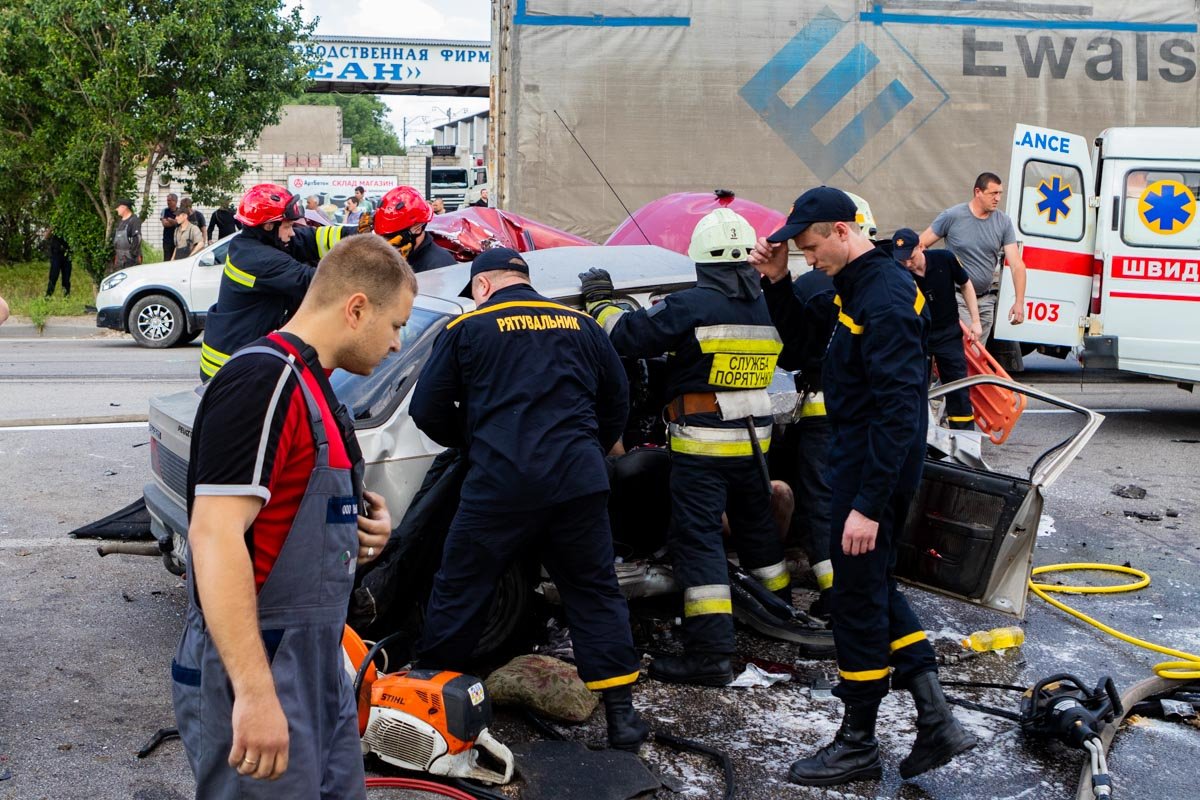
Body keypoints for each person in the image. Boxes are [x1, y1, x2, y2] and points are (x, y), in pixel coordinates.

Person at [172, 234, 415, 798]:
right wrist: (255, 694)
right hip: (261, 663)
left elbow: (291, 518)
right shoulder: (264, 382)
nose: (397, 343)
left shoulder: (314, 387)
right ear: (356, 309)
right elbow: (214, 535)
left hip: (318, 663)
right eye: (396, 325)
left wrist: (361, 532)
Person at [752, 187, 975, 787]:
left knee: (855, 602)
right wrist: (777, 282)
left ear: (843, 231)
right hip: (861, 462)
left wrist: (868, 506)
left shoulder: (884, 295)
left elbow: (900, 412)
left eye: (811, 247)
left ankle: (857, 744)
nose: (808, 258)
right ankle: (936, 719)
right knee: (871, 586)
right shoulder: (856, 287)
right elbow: (804, 350)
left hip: (873, 469)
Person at [410, 247, 649, 753]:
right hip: (578, 484)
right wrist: (588, 447)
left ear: (482, 286)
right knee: (594, 591)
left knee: (461, 587)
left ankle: (430, 702)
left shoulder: (467, 328)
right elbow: (618, 399)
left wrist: (473, 440)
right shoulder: (583, 325)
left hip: (500, 484)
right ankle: (623, 718)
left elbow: (426, 408)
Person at [580, 208, 788, 687]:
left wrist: (600, 300)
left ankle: (710, 653)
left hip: (704, 446)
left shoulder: (692, 304)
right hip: (752, 441)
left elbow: (627, 335)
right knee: (757, 530)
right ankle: (776, 614)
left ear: (701, 258)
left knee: (698, 541)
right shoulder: (761, 305)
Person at [200, 183, 357, 381]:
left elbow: (311, 238)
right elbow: (314, 282)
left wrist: (363, 232)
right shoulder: (259, 259)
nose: (292, 232)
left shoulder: (255, 242)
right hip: (231, 370)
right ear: (268, 226)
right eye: (288, 226)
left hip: (241, 356)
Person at [919, 172, 1027, 343]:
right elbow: (920, 246)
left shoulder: (1003, 222)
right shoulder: (953, 216)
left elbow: (1016, 265)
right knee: (967, 347)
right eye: (993, 193)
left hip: (986, 300)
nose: (998, 198)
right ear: (978, 192)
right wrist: (931, 279)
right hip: (957, 297)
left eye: (1000, 193)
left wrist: (1019, 302)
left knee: (977, 353)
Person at [892, 228, 981, 430]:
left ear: (920, 247)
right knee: (914, 387)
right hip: (917, 336)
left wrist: (975, 321)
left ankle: (963, 435)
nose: (907, 264)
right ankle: (917, 434)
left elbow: (966, 285)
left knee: (958, 387)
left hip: (948, 334)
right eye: (902, 260)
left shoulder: (945, 259)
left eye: (911, 258)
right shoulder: (898, 272)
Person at [372, 186, 456, 272]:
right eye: (381, 237)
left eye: (391, 236)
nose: (387, 243)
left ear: (417, 228)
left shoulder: (439, 266)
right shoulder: (398, 258)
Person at [113, 198, 142, 269]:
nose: (116, 209)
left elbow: (137, 239)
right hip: (119, 258)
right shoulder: (120, 222)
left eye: (118, 207)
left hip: (130, 259)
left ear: (124, 207)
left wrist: (132, 255)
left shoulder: (134, 220)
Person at [45, 229, 72, 298]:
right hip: (56, 254)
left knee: (66, 278)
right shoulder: (55, 227)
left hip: (67, 254)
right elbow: (46, 236)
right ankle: (48, 296)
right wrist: (52, 229)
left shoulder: (68, 227)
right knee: (53, 276)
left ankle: (66, 296)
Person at [161, 193, 180, 258]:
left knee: (177, 260)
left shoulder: (180, 211)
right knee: (167, 260)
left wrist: (170, 219)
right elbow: (165, 224)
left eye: (169, 200)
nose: (168, 202)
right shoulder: (164, 211)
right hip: (167, 241)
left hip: (178, 241)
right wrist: (175, 222)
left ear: (175, 201)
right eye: (167, 200)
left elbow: (179, 223)